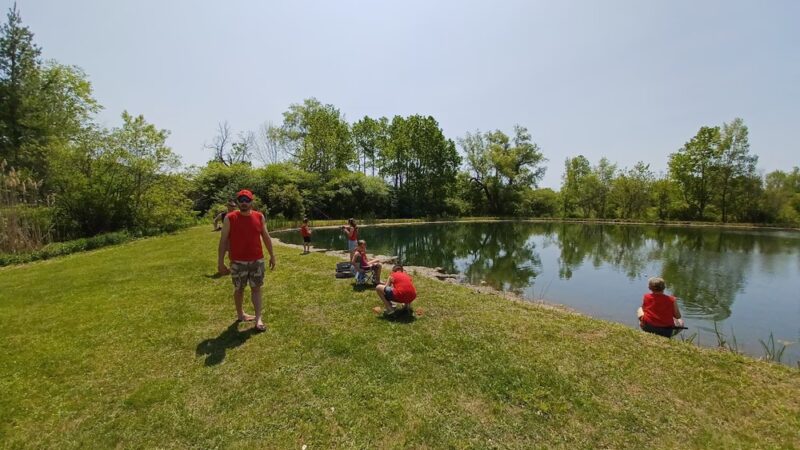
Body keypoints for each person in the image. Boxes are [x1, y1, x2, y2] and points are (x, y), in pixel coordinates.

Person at [217, 189, 276, 332]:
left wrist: (272, 255)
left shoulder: (259, 216)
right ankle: (240, 314)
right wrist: (220, 262)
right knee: (239, 289)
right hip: (238, 262)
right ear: (237, 202)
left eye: (247, 200)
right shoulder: (230, 218)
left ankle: (258, 318)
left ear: (251, 202)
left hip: (257, 260)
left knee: (256, 289)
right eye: (241, 200)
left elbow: (266, 237)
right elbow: (223, 240)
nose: (244, 203)